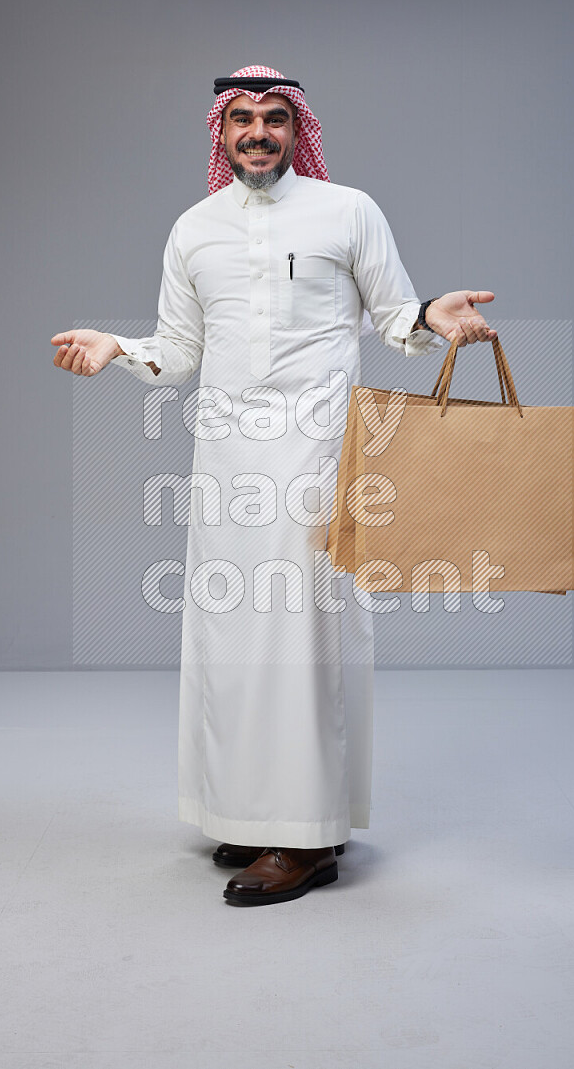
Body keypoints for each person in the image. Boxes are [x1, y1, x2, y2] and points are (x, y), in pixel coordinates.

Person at [51, 65, 497, 907]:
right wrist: (118, 346)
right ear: (220, 134)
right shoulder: (194, 229)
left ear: (299, 130)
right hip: (225, 464)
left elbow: (395, 314)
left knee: (305, 640)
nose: (258, 132)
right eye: (243, 120)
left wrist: (435, 313)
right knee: (234, 638)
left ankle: (307, 839)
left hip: (319, 455)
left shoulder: (348, 211)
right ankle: (256, 813)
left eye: (275, 119)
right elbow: (179, 348)